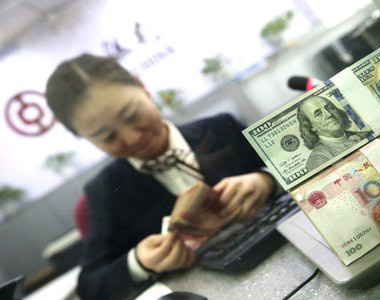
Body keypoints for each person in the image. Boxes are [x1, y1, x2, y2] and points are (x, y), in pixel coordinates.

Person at [45, 54, 278, 300]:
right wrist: (139, 261)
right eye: (107, 137)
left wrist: (266, 180)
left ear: (143, 89)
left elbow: (303, 163)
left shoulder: (222, 127)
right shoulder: (105, 193)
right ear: (87, 139)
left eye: (132, 115)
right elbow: (90, 286)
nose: (133, 138)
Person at [297, 96, 370, 171]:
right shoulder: (318, 159)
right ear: (311, 126)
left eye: (329, 107)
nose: (329, 114)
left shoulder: (365, 135)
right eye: (318, 114)